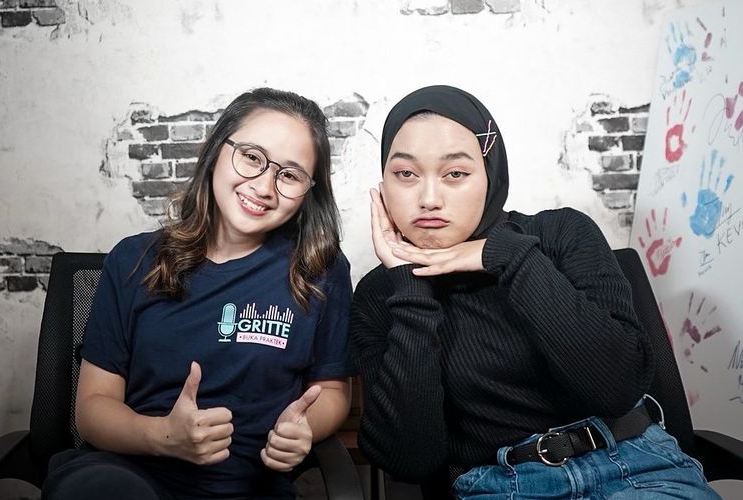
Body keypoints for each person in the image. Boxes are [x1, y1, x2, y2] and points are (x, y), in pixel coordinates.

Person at [350, 85, 720, 499]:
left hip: (638, 466)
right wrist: (411, 289)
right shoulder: (380, 294)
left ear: (490, 175)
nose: (429, 199)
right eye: (406, 174)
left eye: (455, 173)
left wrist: (510, 257)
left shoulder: (560, 234)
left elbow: (616, 389)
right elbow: (409, 460)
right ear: (383, 184)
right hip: (505, 486)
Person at [41, 88, 354, 500]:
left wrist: (304, 429)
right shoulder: (133, 260)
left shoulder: (319, 270)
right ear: (216, 151)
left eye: (290, 175)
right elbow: (93, 407)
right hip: (126, 475)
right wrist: (164, 436)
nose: (264, 187)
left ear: (309, 190)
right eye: (252, 157)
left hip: (246, 486)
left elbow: (332, 391)